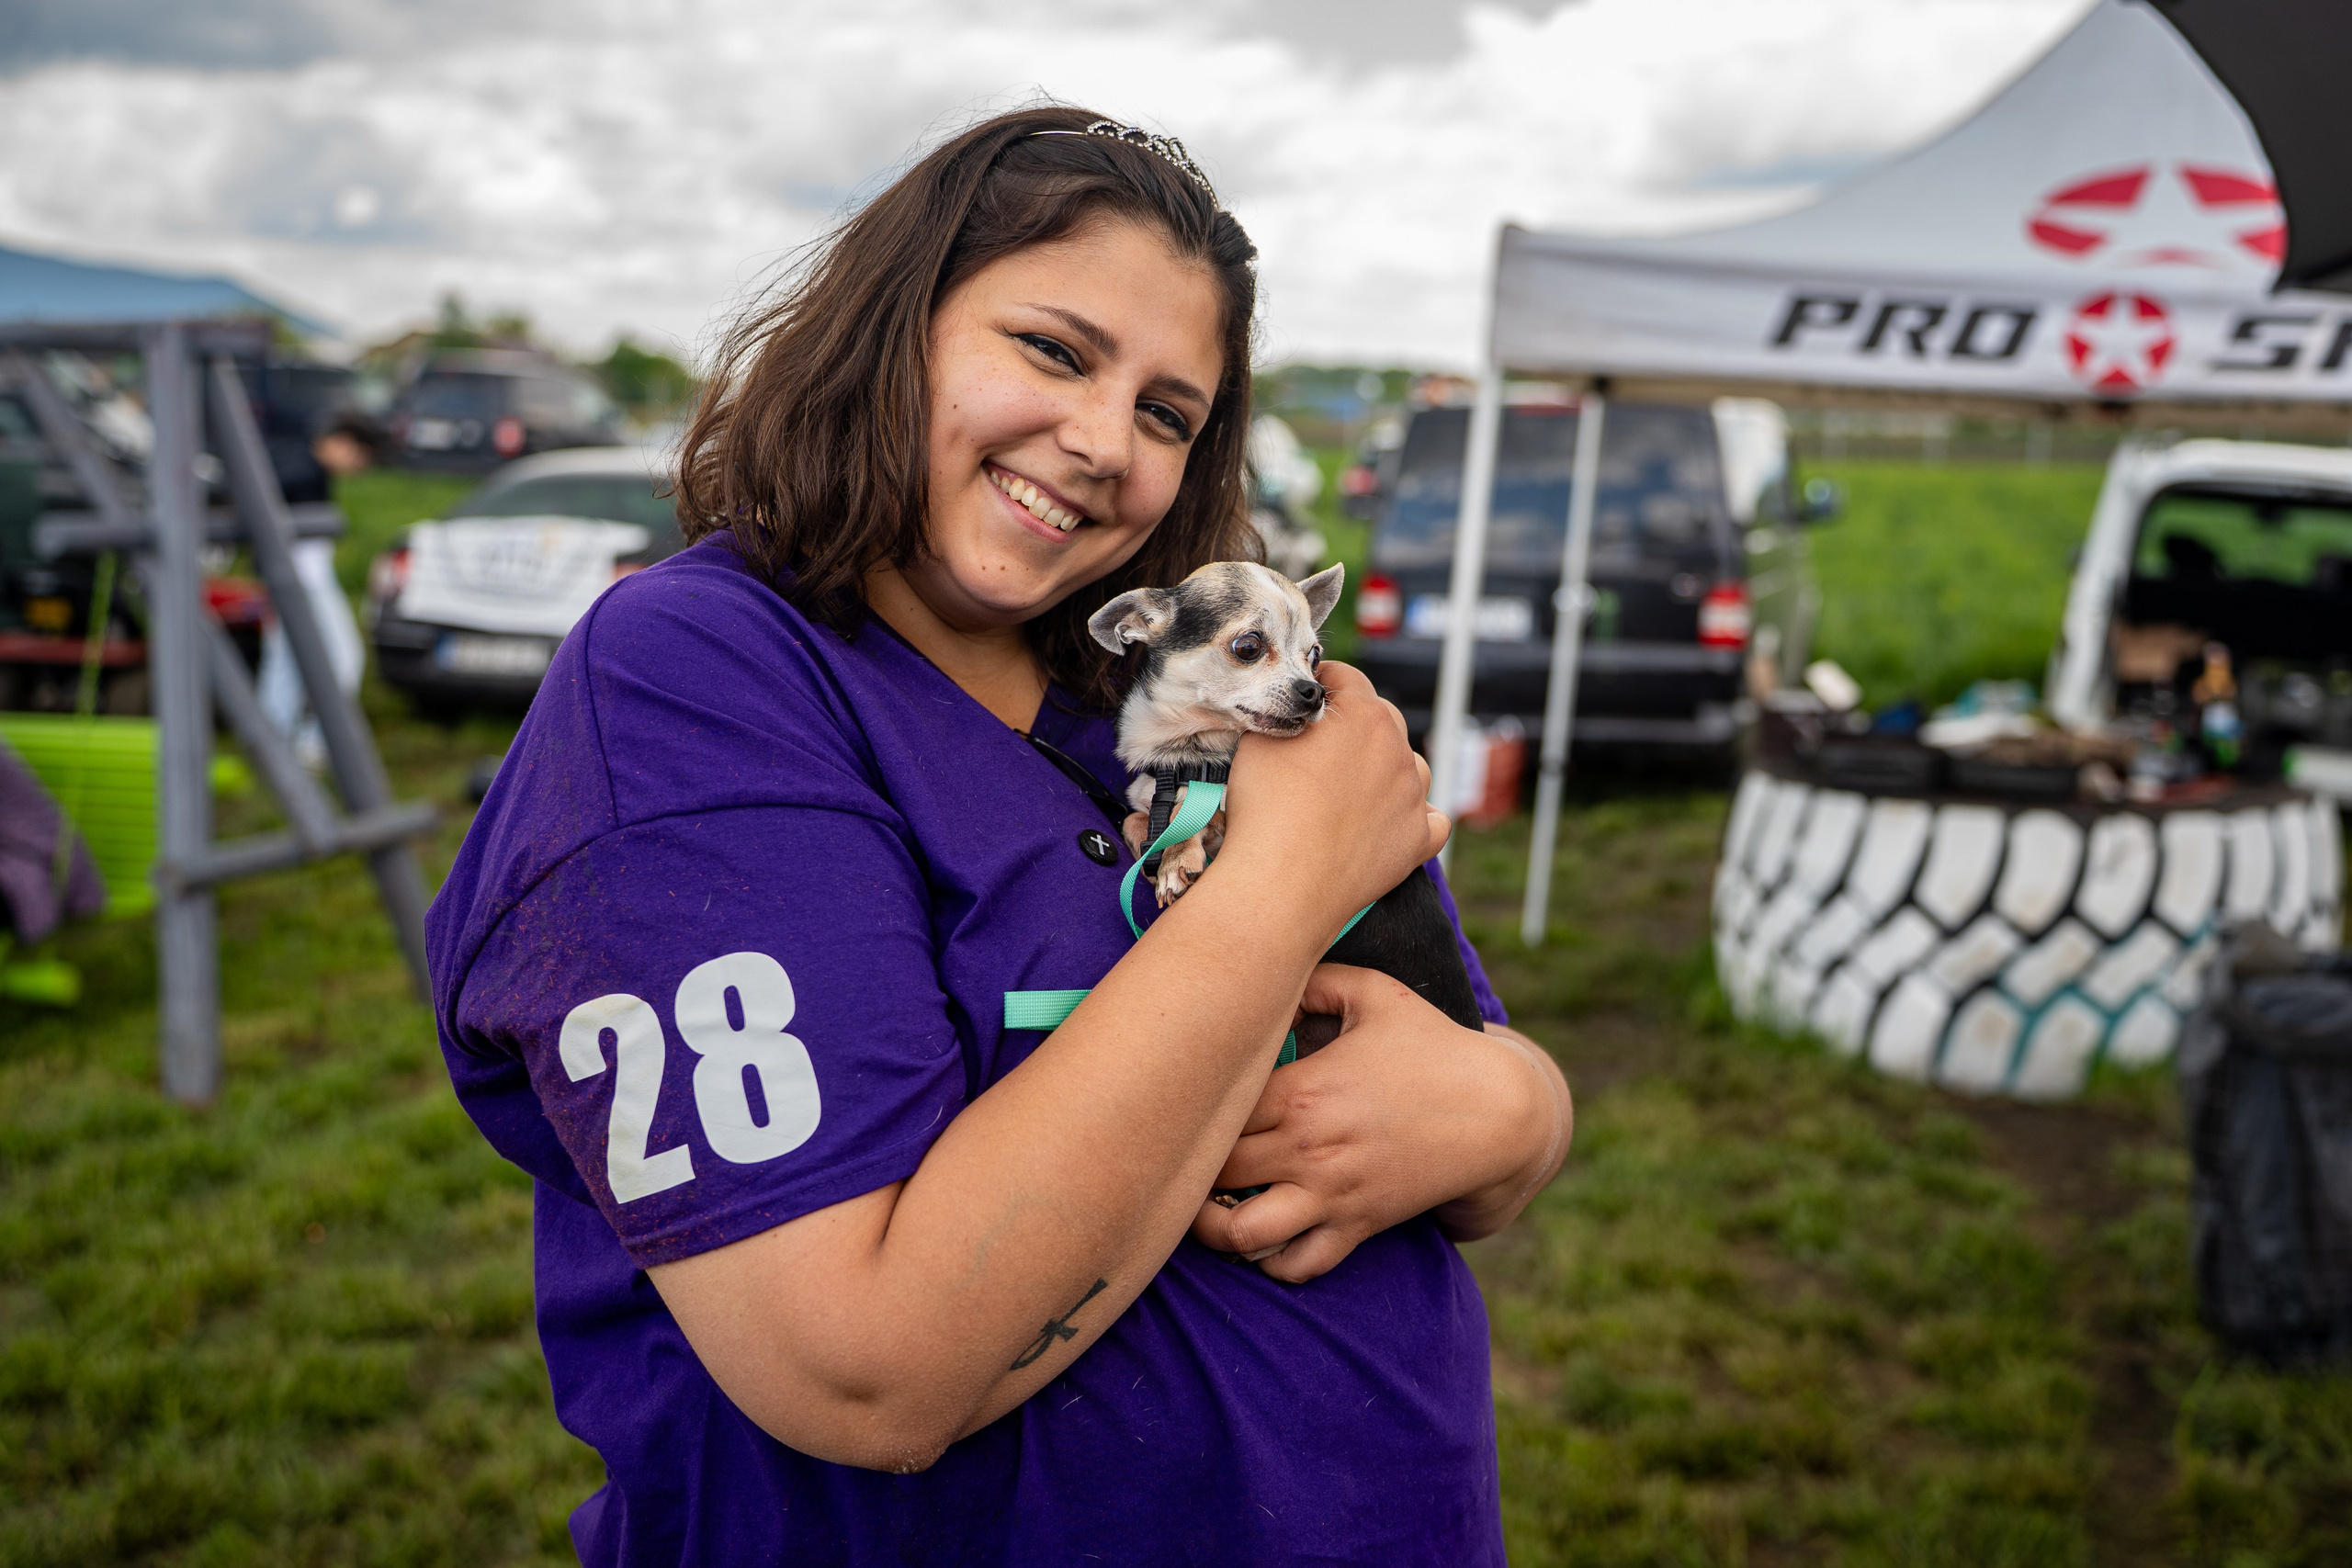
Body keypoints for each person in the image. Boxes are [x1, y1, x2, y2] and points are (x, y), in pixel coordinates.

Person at [427, 105, 1572, 1566]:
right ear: (892, 330)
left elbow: (1484, 1062)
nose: (1103, 443)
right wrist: (1274, 893)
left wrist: (1514, 1116)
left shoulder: (1164, 696)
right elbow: (867, 1364)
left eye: (1168, 413)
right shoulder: (697, 678)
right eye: (1053, 350)